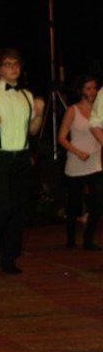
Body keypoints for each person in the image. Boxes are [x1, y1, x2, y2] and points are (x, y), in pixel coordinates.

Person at [0, 48, 44, 275]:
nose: (13, 67)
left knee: (18, 211)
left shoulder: (27, 95)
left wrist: (39, 114)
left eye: (16, 64)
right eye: (8, 64)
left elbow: (33, 130)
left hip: (21, 157)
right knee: (0, 208)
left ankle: (9, 259)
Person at [59, 76, 102, 249]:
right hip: (76, 162)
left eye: (94, 88)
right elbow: (61, 137)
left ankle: (88, 240)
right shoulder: (73, 110)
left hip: (95, 163)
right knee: (74, 205)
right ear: (81, 91)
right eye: (88, 88)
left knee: (98, 202)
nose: (92, 92)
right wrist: (77, 152)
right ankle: (70, 239)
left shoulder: (100, 111)